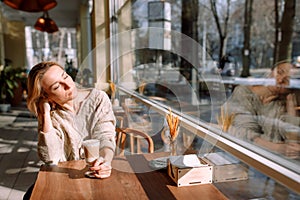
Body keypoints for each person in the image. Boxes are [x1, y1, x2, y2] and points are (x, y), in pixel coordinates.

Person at [26, 61, 116, 177]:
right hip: (65, 175)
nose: (68, 85)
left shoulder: (98, 99)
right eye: (57, 86)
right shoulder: (51, 116)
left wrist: (105, 161)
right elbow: (51, 158)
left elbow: (105, 136)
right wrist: (45, 114)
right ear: (46, 96)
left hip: (99, 172)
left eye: (65, 76)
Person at [222, 61, 300, 158]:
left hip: (269, 161)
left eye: (287, 80)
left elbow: (292, 144)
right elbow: (243, 134)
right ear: (270, 72)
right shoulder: (243, 92)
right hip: (239, 158)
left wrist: (291, 105)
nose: (279, 80)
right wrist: (277, 148)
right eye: (279, 72)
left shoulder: (281, 104)